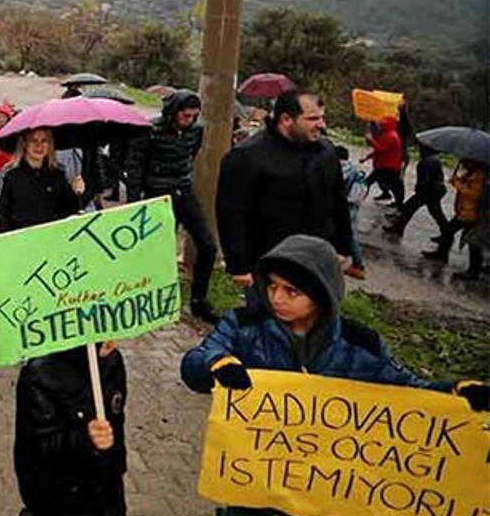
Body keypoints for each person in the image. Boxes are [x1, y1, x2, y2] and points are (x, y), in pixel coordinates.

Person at [181, 234, 489, 516]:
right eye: (272, 286)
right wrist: (216, 364)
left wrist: (456, 393)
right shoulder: (244, 326)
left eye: (292, 291)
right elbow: (194, 363)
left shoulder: (361, 345)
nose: (276, 298)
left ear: (321, 295)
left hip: (324, 493)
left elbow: (411, 393)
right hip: (256, 490)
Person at [215, 90, 352, 290]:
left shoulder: (325, 152)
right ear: (286, 119)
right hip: (269, 265)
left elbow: (338, 203)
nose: (321, 125)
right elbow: (232, 215)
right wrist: (239, 266)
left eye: (322, 117)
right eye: (313, 118)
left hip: (317, 262)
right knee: (270, 318)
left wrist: (343, 248)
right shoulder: (248, 157)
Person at [125, 90, 220, 321]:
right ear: (173, 113)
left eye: (193, 116)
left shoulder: (196, 131)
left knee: (207, 245)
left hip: (183, 189)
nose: (189, 121)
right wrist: (134, 202)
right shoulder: (149, 131)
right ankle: (149, 300)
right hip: (157, 193)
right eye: (185, 116)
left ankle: (199, 300)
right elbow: (135, 166)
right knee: (158, 252)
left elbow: (192, 153)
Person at [14, 342, 126, 516]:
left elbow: (117, 422)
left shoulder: (114, 361)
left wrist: (117, 469)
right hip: (60, 500)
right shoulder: (40, 373)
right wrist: (85, 439)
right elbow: (36, 451)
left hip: (106, 496)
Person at [0, 128, 85, 235]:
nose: (39, 146)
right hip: (19, 240)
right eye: (33, 140)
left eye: (44, 141)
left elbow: (67, 211)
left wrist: (74, 193)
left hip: (51, 238)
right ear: (24, 144)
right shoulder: (10, 174)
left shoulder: (58, 174)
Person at [424, 159, 487, 280]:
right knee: (449, 231)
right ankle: (442, 253)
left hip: (471, 214)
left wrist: (458, 184)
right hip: (464, 211)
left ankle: (473, 271)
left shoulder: (480, 177)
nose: (465, 164)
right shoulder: (472, 174)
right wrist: (459, 179)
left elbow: (474, 194)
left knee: (472, 243)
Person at [384, 143, 449, 238]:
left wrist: (419, 189)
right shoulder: (432, 160)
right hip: (432, 191)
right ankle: (446, 234)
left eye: (421, 149)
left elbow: (425, 179)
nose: (419, 151)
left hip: (429, 192)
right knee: (435, 213)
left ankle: (447, 235)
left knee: (409, 208)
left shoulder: (428, 162)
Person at [335, 145, 368, 280]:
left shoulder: (341, 168)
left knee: (351, 234)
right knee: (349, 232)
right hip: (354, 203)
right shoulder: (353, 167)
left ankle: (358, 265)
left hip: (346, 205)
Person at [362, 116, 405, 206]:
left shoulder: (391, 136)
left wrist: (371, 141)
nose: (380, 126)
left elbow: (381, 149)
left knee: (370, 181)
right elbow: (380, 149)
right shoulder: (387, 134)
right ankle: (398, 202)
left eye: (382, 124)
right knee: (393, 185)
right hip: (387, 165)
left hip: (388, 166)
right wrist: (367, 157)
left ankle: (357, 195)